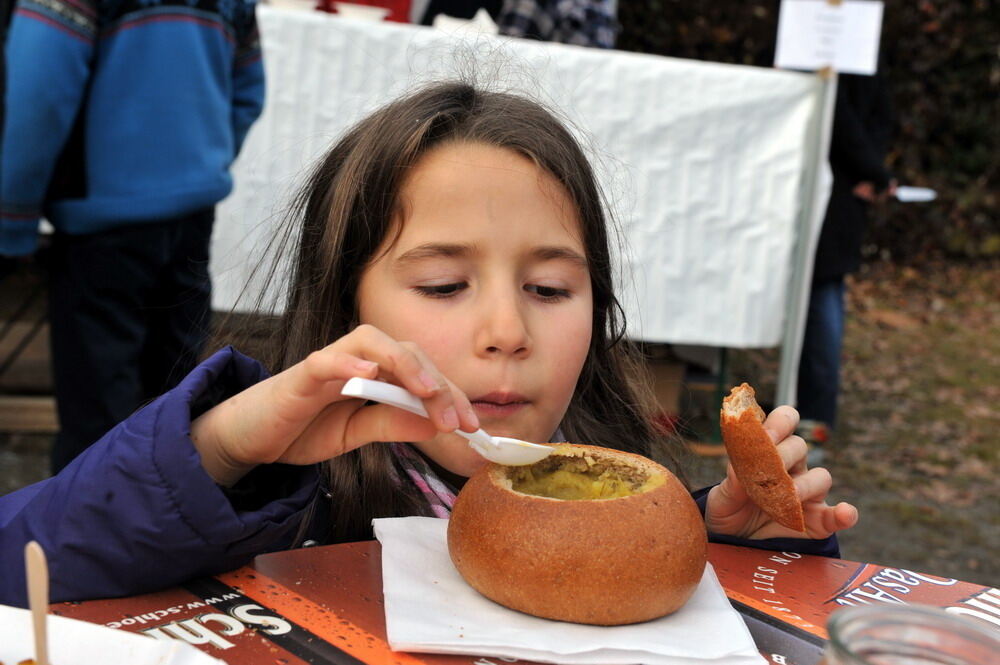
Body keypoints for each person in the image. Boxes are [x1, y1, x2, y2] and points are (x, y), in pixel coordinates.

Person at [0, 82, 858, 608]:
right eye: (446, 285)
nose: (508, 333)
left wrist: (725, 539)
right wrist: (217, 452)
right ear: (348, 308)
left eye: (551, 289)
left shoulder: (621, 484)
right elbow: (26, 564)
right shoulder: (283, 507)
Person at [0, 0, 266, 473]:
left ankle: (90, 534)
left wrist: (11, 219)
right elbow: (247, 92)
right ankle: (161, 530)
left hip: (103, 225)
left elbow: (38, 97)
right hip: (190, 213)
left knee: (98, 416)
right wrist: (197, 163)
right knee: (172, 401)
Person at [797, 70, 895, 445]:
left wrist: (872, 170)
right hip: (845, 180)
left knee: (823, 294)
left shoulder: (839, 33)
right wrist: (873, 170)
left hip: (835, 185)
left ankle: (815, 414)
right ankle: (813, 409)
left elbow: (841, 110)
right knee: (825, 294)